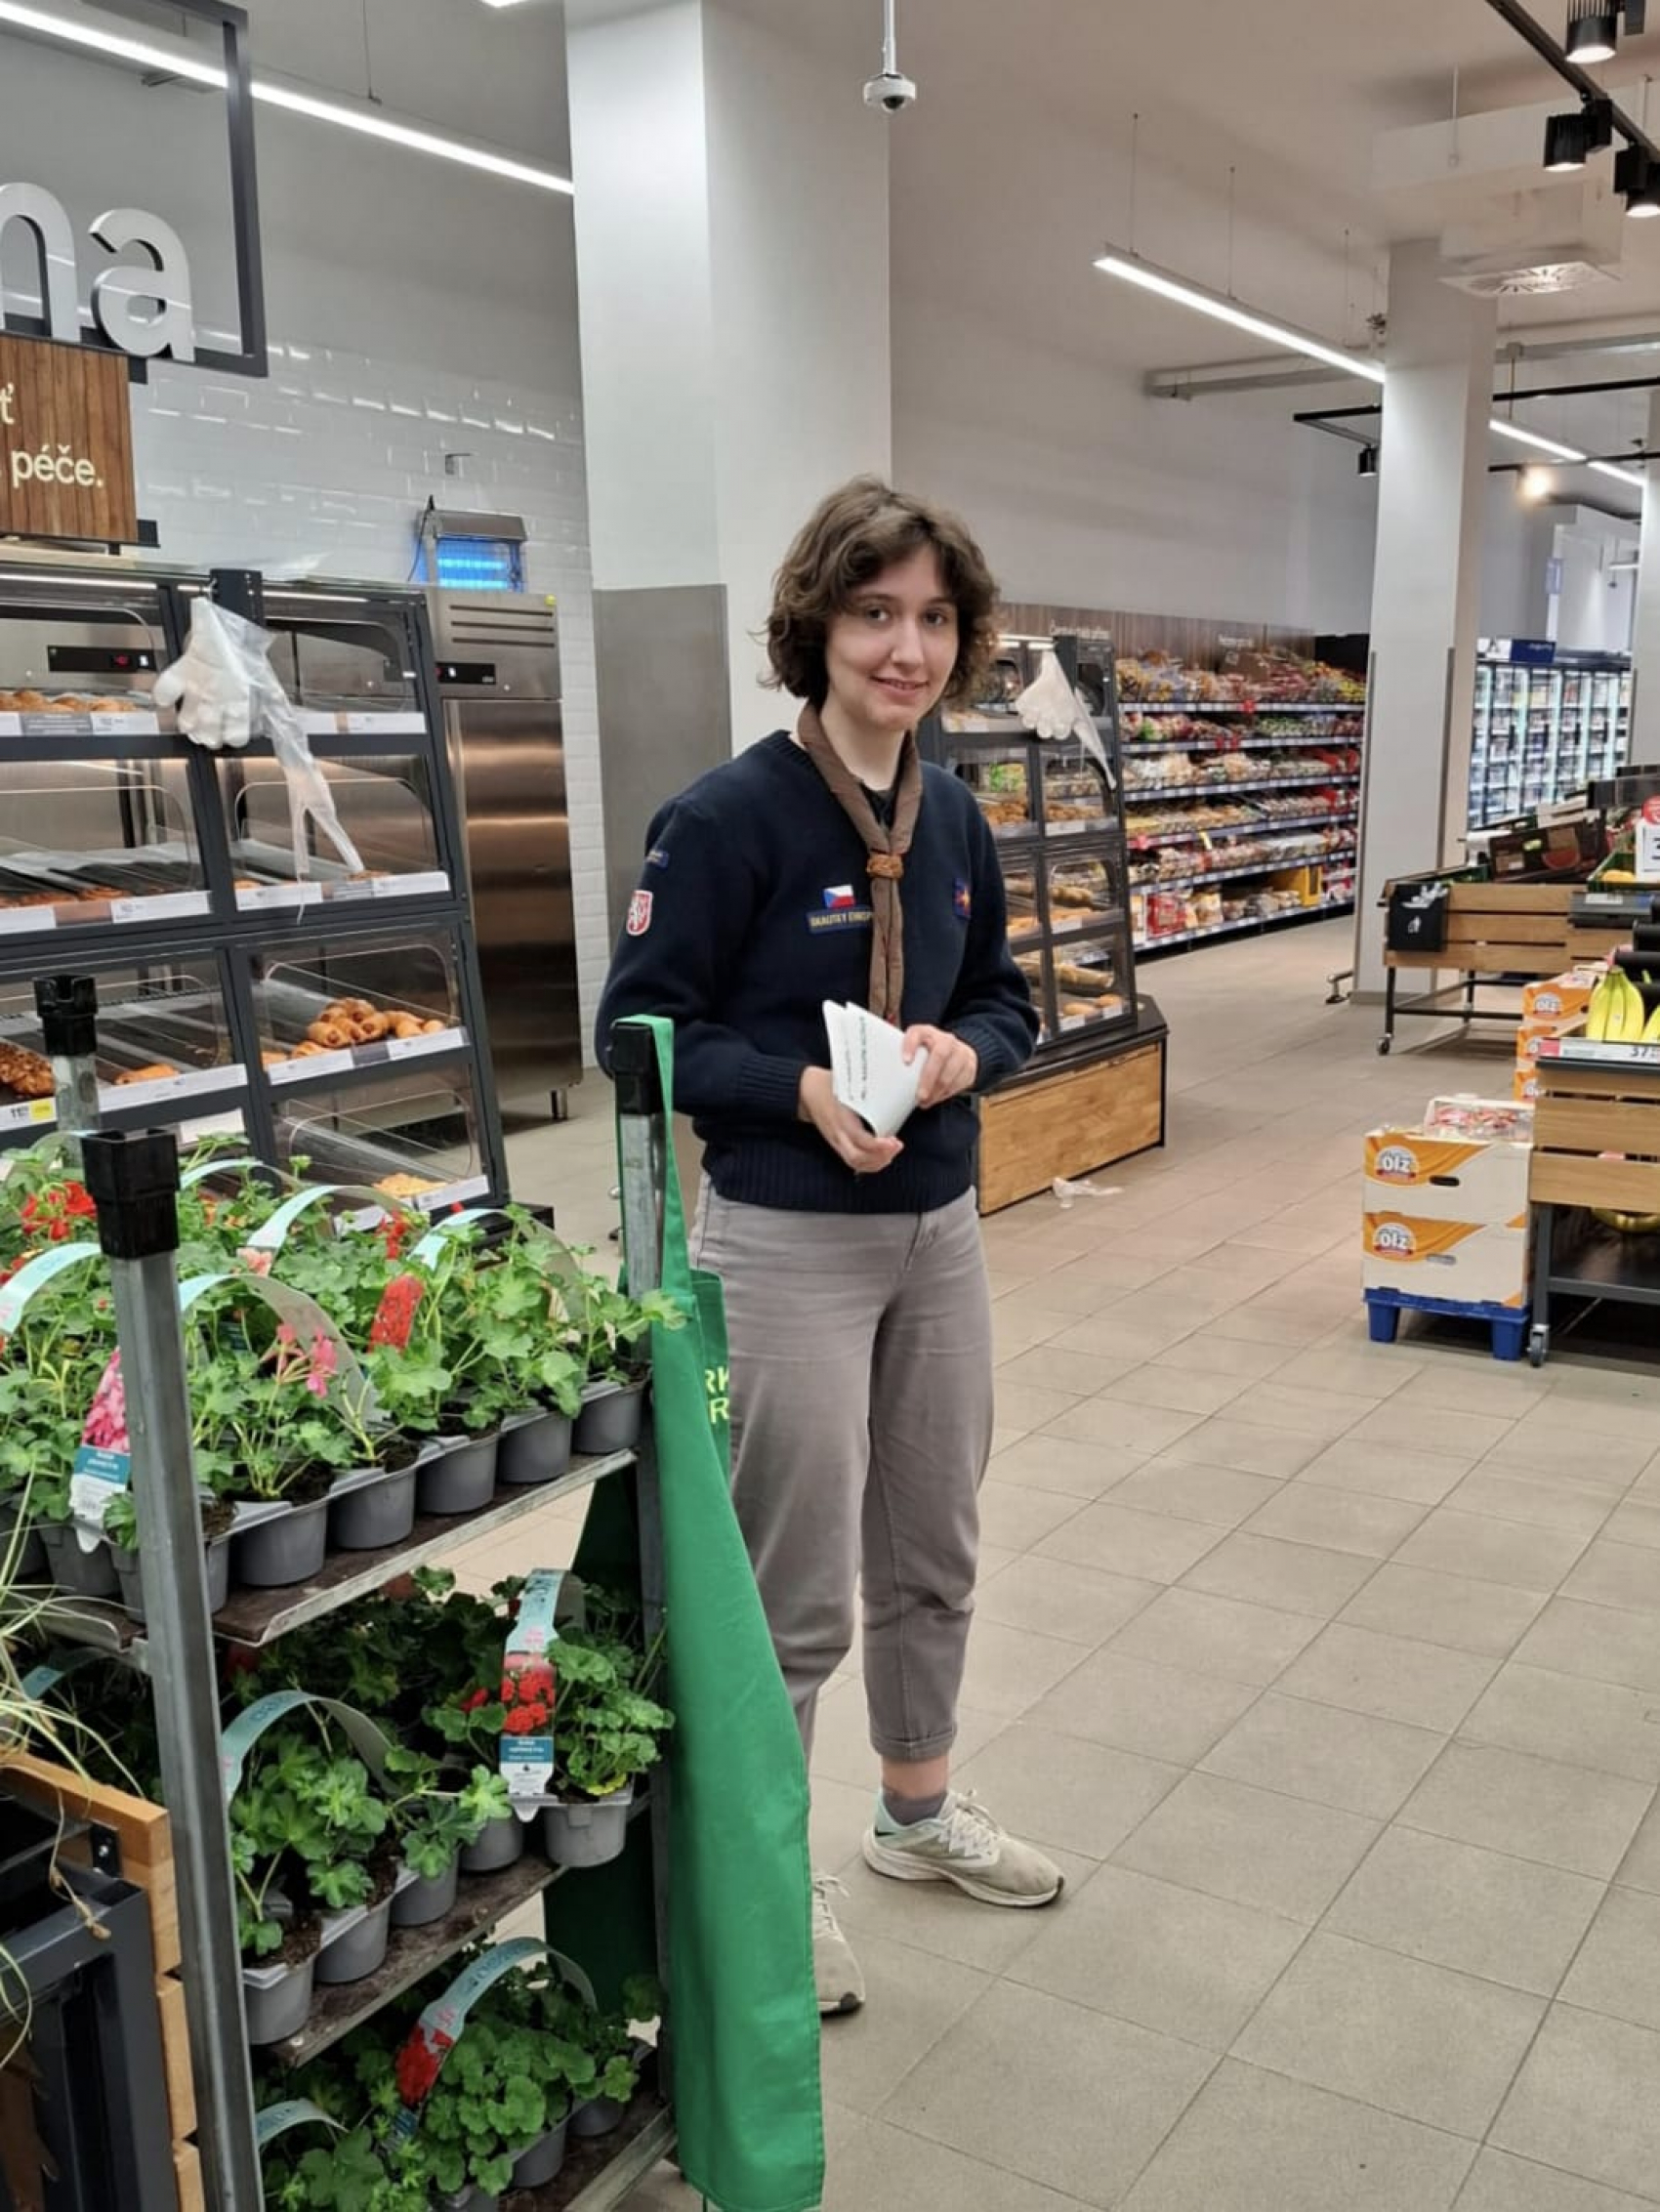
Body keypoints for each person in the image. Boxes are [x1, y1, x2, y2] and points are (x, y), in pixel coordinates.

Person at [596, 477, 1062, 2017]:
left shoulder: (959, 819)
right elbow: (637, 1031)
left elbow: (1005, 996)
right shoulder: (728, 818)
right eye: (875, 613)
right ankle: (768, 1870)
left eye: (932, 617)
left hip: (937, 1229)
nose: (905, 647)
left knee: (934, 1540)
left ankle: (915, 1813)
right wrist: (796, 1086)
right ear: (819, 626)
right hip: (787, 1237)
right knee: (791, 1584)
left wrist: (967, 1053)